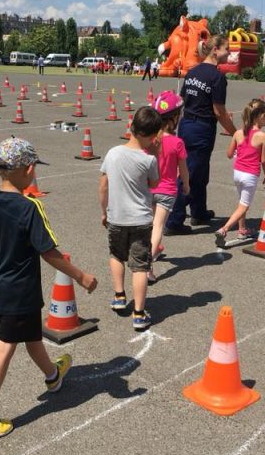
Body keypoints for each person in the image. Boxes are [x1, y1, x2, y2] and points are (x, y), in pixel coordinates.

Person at [0, 137, 98, 439]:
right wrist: (81, 276)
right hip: (20, 288)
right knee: (4, 347)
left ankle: (53, 375)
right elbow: (48, 251)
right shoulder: (30, 207)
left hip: (0, 282)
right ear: (28, 169)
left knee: (32, 335)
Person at [165, 34, 237, 235]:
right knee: (191, 173)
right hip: (202, 128)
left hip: (187, 124)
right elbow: (219, 111)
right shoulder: (217, 77)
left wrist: (173, 125)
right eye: (226, 49)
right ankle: (174, 221)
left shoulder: (192, 72)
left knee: (201, 171)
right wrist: (236, 134)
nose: (229, 52)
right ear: (215, 50)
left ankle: (198, 211)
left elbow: (181, 101)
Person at [99, 107, 162, 330]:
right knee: (140, 266)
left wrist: (104, 211)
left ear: (132, 127)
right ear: (152, 136)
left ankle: (119, 296)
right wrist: (156, 154)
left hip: (117, 217)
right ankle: (139, 313)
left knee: (116, 255)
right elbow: (155, 184)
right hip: (140, 219)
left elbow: (103, 186)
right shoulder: (149, 160)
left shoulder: (113, 153)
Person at [214, 98, 265, 247]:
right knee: (244, 206)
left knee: (241, 202)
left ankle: (242, 229)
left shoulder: (238, 133)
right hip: (250, 175)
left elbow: (229, 154)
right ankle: (224, 229)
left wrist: (241, 152)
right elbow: (264, 160)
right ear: (259, 116)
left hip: (237, 173)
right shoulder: (263, 137)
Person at [147, 91, 190, 283]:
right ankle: (147, 266)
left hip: (149, 188)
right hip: (167, 191)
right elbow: (183, 169)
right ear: (173, 118)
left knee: (150, 225)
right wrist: (186, 185)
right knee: (158, 226)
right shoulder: (177, 142)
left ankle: (152, 250)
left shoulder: (150, 139)